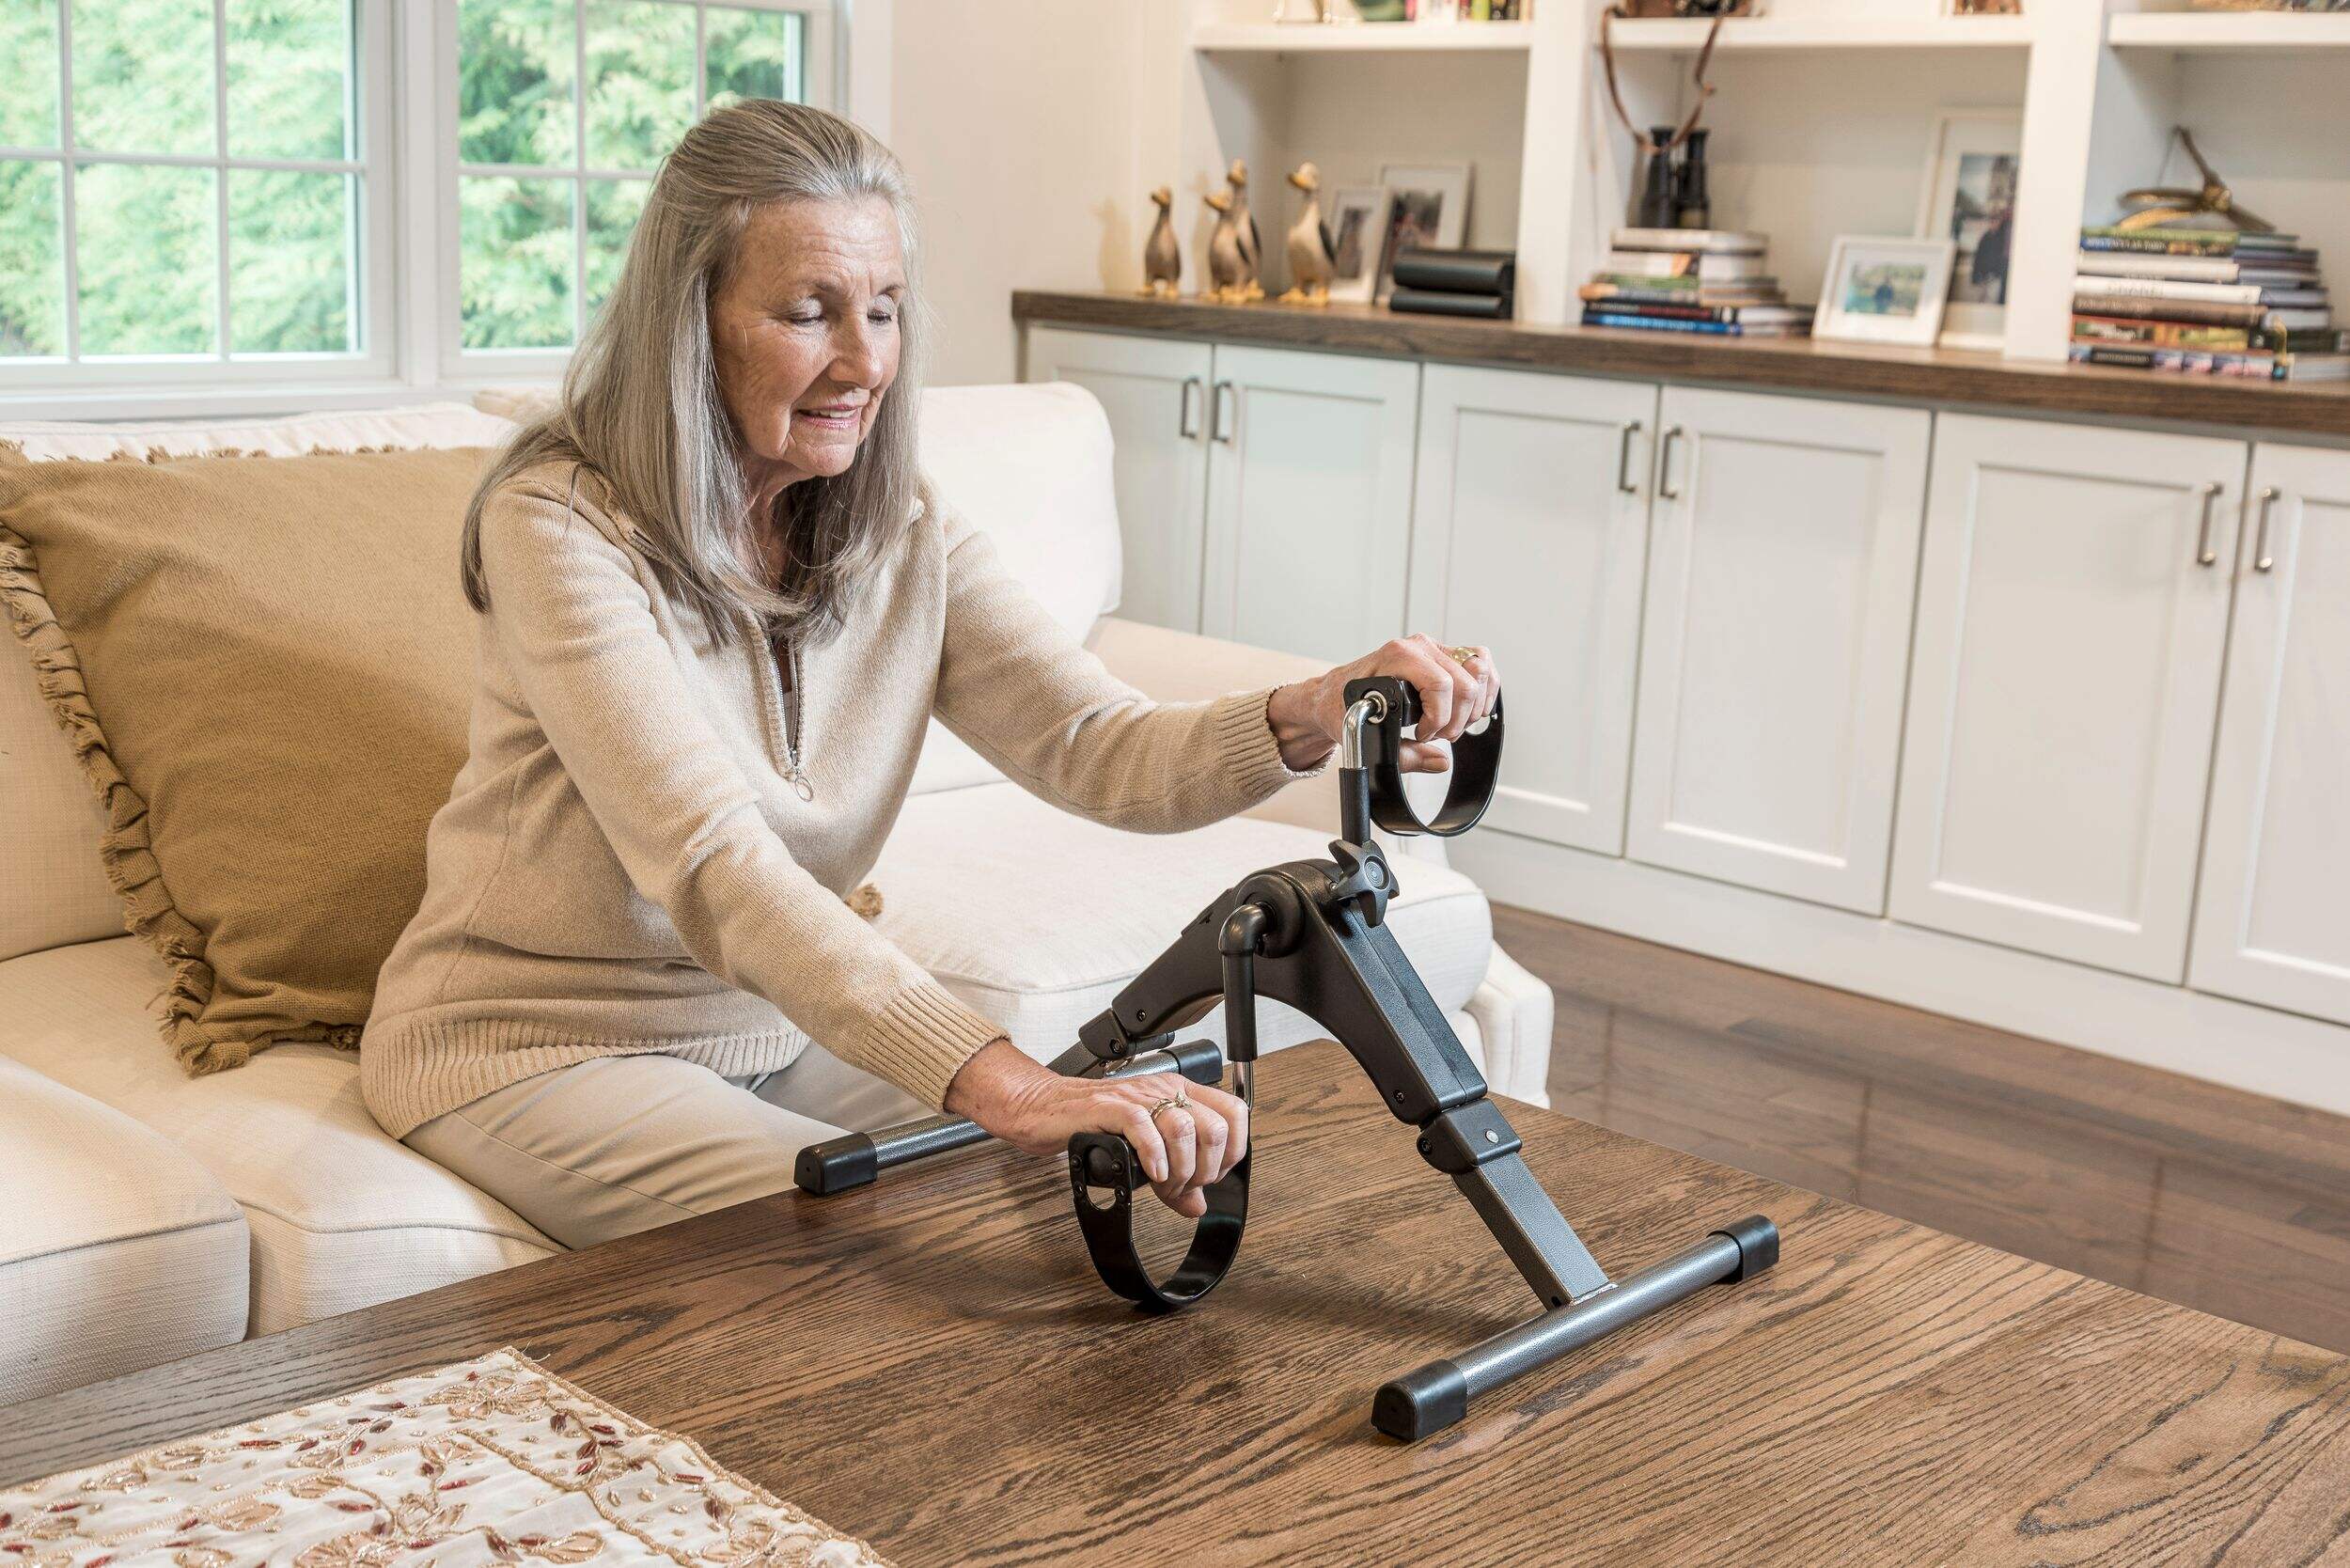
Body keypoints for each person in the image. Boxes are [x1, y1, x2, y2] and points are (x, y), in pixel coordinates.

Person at [359, 100, 1499, 1251]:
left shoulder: (902, 527)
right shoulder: (558, 524)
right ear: (687, 323)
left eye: (884, 309)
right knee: (882, 1258)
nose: (865, 363)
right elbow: (711, 861)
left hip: (771, 1025)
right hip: (536, 1047)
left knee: (1077, 1202)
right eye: (808, 313)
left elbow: (1096, 747)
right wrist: (1015, 1087)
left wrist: (1313, 709)